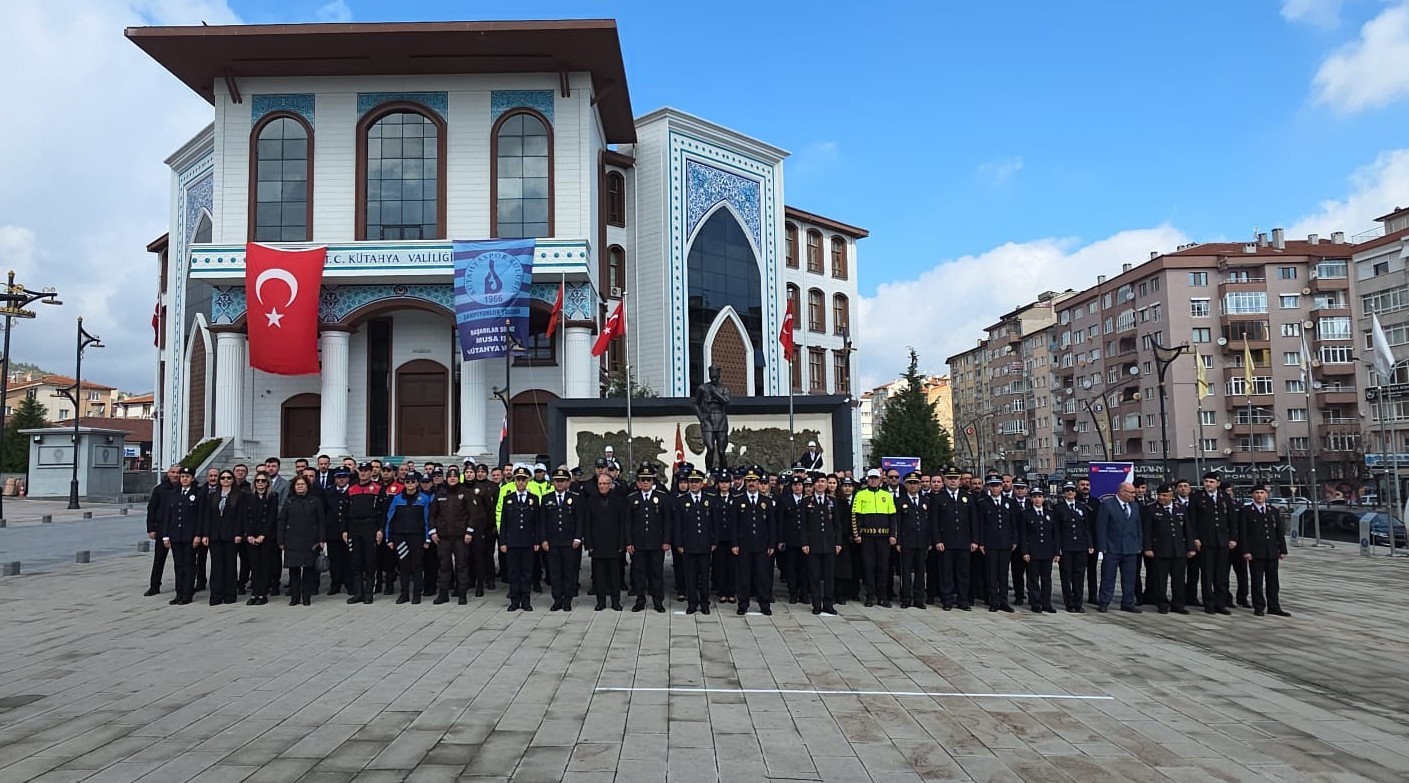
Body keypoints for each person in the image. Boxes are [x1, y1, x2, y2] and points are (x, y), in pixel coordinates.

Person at [1143, 483, 1197, 615]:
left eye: (1164, 495)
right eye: (1159, 495)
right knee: (1160, 580)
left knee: (1179, 580)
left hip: (1178, 550)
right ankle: (1162, 603)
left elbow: (1188, 530)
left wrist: (1191, 547)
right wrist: (1148, 548)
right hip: (1160, 550)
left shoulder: (1181, 508)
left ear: (1171, 496)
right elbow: (1147, 531)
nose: (1161, 498)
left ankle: (1178, 604)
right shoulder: (1151, 509)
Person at [729, 468, 777, 615]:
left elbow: (772, 525)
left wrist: (771, 544)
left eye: (754, 481)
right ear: (745, 482)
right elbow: (733, 525)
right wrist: (734, 544)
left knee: (762, 576)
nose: (751, 484)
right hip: (744, 546)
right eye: (749, 481)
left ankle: (764, 604)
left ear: (759, 483)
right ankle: (743, 604)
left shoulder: (766, 502)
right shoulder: (738, 500)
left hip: (762, 546)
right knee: (744, 576)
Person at [627, 463, 673, 613]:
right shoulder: (632, 498)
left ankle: (658, 601)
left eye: (648, 479)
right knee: (639, 573)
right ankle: (640, 600)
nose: (645, 482)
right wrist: (628, 542)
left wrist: (666, 541)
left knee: (656, 574)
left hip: (656, 543)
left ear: (653, 481)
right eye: (642, 479)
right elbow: (627, 523)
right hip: (638, 543)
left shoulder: (662, 497)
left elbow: (667, 521)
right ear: (638, 482)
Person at [1239, 486, 1291, 617]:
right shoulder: (1246, 511)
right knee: (1257, 581)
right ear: (1252, 495)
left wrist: (1282, 549)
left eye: (1262, 493)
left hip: (1271, 551)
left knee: (1273, 581)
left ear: (1266, 495)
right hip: (1255, 552)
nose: (1259, 495)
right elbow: (1243, 533)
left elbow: (1279, 531)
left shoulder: (1272, 510)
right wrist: (1246, 551)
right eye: (1256, 493)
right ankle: (1259, 606)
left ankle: (1274, 606)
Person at [1190, 472, 1236, 616]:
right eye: (1206, 481)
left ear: (1218, 483)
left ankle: (1220, 604)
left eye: (1211, 481)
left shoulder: (1224, 497)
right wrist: (1195, 538)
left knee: (1221, 574)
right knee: (1207, 574)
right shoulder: (1197, 497)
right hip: (1205, 541)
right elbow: (1192, 520)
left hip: (1222, 540)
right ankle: (1209, 603)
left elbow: (1232, 519)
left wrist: (1233, 538)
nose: (1208, 484)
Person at [430, 468, 477, 606]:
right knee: (444, 566)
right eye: (450, 477)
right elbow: (432, 514)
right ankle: (443, 594)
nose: (452, 479)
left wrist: (469, 532)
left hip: (461, 537)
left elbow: (472, 514)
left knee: (462, 565)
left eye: (455, 477)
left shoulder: (465, 493)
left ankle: (462, 594)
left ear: (458, 478)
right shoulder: (440, 493)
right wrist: (432, 531)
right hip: (443, 537)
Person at [584, 472, 629, 611]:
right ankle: (601, 602)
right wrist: (589, 544)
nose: (602, 486)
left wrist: (623, 543)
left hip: (614, 545)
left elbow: (624, 524)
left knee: (615, 577)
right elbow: (587, 524)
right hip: (597, 546)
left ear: (611, 485)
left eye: (605, 484)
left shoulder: (620, 501)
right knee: (599, 577)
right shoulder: (591, 501)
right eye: (600, 484)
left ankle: (616, 602)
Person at [932, 466, 975, 611]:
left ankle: (963, 600)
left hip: (964, 541)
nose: (953, 481)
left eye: (955, 478)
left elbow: (973, 521)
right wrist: (937, 540)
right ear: (945, 480)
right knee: (946, 573)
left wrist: (975, 540)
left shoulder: (967, 497)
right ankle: (947, 600)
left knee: (964, 573)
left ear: (959, 480)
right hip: (946, 542)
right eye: (950, 478)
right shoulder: (939, 498)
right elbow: (935, 522)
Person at [499, 466, 542, 612]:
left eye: (524, 479)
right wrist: (503, 541)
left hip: (528, 542)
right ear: (515, 481)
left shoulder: (533, 499)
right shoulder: (508, 499)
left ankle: (526, 600)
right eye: (518, 479)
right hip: (512, 542)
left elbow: (537, 522)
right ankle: (514, 600)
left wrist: (537, 540)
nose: (521, 482)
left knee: (527, 572)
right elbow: (504, 522)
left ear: (528, 481)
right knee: (513, 572)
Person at [278, 475, 326, 607]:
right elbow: (282, 521)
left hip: (311, 541)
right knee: (294, 571)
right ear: (294, 487)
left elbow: (321, 521)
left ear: (307, 486)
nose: (300, 486)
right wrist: (281, 540)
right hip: (292, 540)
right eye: (297, 484)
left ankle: (306, 597)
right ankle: (294, 597)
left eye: (302, 484)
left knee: (308, 570)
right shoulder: (289, 501)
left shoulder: (315, 501)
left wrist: (322, 539)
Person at [674, 468, 717, 615]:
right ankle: (692, 603)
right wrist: (679, 543)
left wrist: (714, 541)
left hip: (705, 544)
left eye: (696, 482)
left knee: (704, 576)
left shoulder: (709, 499)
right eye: (691, 482)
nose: (693, 485)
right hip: (689, 544)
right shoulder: (682, 501)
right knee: (690, 576)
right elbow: (678, 524)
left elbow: (713, 523)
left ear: (702, 483)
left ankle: (705, 603)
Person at [383, 475, 431, 605]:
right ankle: (404, 594)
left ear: (417, 483)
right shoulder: (397, 498)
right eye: (407, 481)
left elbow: (427, 520)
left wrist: (427, 538)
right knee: (403, 566)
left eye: (413, 481)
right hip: (400, 537)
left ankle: (417, 594)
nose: (410, 484)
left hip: (417, 537)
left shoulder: (424, 499)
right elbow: (390, 519)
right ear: (404, 483)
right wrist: (389, 538)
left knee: (417, 566)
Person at [541, 468, 584, 611]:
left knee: (569, 572)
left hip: (569, 541)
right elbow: (543, 522)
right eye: (557, 481)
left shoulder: (575, 498)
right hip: (553, 542)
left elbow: (579, 520)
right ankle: (557, 599)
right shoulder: (547, 498)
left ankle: (568, 599)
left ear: (568, 482)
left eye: (562, 481)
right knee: (554, 572)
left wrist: (578, 537)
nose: (559, 484)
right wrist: (544, 539)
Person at [853, 468, 897, 608]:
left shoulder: (887, 495)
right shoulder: (860, 494)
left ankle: (882, 596)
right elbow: (855, 516)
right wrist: (856, 534)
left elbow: (893, 517)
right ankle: (870, 596)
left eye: (875, 478)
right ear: (867, 479)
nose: (873, 480)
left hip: (883, 537)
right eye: (871, 478)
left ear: (880, 480)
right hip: (867, 537)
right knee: (868, 567)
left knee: (883, 567)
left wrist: (893, 535)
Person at [1097, 482, 1143, 613]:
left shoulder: (1134, 506)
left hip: (1130, 548)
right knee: (1108, 577)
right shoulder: (1107, 505)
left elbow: (1138, 527)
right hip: (1112, 547)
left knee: (1129, 578)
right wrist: (1102, 546)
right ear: (1122, 492)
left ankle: (1128, 602)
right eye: (1131, 493)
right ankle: (1104, 601)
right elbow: (1101, 527)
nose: (1134, 495)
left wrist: (1139, 545)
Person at [976, 475, 1018, 612]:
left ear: (1001, 487)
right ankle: (993, 601)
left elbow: (1014, 524)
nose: (995, 488)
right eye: (992, 486)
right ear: (988, 487)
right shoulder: (983, 503)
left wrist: (1014, 540)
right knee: (992, 573)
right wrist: (981, 542)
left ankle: (1004, 600)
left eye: (997, 485)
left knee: (1004, 574)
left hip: (1006, 543)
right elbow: (981, 525)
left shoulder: (1010, 502)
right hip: (990, 543)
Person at [161, 467, 203, 605]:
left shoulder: (198, 493)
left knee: (189, 565)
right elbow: (168, 516)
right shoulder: (174, 493)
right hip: (176, 535)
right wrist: (165, 536)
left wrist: (198, 535)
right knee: (178, 566)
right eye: (182, 476)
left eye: (187, 476)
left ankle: (187, 593)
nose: (184, 479)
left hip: (190, 536)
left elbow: (200, 517)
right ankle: (178, 593)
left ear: (192, 478)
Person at [203, 469, 245, 606]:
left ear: (233, 480)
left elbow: (240, 516)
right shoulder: (213, 495)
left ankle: (230, 594)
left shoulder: (239, 495)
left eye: (228, 478)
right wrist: (205, 534)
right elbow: (207, 516)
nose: (225, 480)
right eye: (223, 478)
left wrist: (239, 533)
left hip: (231, 535)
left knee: (230, 565)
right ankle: (216, 595)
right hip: (215, 535)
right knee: (216, 566)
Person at [802, 474, 841, 616]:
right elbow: (804, 525)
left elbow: (837, 524)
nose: (820, 484)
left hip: (829, 544)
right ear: (813, 485)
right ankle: (816, 604)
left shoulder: (832, 501)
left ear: (826, 485)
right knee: (815, 577)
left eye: (823, 482)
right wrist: (805, 543)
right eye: (817, 482)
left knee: (829, 576)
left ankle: (828, 604)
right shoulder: (807, 501)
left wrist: (838, 543)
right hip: (813, 544)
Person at [894, 472, 934, 609]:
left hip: (922, 541)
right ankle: (906, 598)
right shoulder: (900, 501)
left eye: (915, 483)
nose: (913, 486)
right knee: (905, 572)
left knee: (920, 571)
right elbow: (897, 522)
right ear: (906, 485)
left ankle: (919, 598)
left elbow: (930, 523)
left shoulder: (926, 501)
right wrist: (898, 541)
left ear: (919, 485)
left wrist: (929, 541)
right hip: (906, 541)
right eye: (910, 483)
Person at [344, 463, 382, 605]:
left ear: (371, 472)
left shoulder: (378, 489)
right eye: (362, 471)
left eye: (367, 471)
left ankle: (368, 593)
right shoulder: (351, 489)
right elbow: (344, 511)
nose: (364, 474)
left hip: (370, 527)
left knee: (370, 562)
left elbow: (382, 511)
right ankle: (358, 592)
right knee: (356, 561)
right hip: (354, 528)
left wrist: (380, 530)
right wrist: (344, 530)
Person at [1018, 487, 1059, 614]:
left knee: (1046, 579)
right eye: (1035, 497)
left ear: (1043, 498)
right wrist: (1025, 552)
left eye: (1039, 496)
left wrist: (1057, 552)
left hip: (1047, 551)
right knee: (1033, 579)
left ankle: (1046, 603)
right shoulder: (1026, 514)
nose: (1037, 499)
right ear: (1031, 499)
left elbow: (1055, 535)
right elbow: (1023, 535)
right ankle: (1035, 603)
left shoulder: (1050, 514)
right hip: (1033, 551)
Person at [143, 464, 181, 596]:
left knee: (180, 561)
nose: (175, 475)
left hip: (179, 530)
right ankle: (154, 585)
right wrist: (151, 528)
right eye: (173, 472)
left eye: (178, 473)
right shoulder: (160, 489)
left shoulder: (185, 489)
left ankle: (180, 586)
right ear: (168, 473)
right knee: (159, 559)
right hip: (161, 528)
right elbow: (151, 509)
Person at [1054, 482, 1092, 612]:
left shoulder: (1082, 507)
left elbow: (1086, 527)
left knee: (1079, 575)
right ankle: (1069, 603)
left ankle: (1078, 602)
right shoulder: (1059, 508)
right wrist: (1057, 549)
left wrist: (1090, 544)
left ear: (1076, 493)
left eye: (1072, 490)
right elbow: (1057, 530)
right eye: (1067, 490)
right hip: (1066, 547)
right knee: (1066, 575)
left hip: (1080, 546)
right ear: (1064, 492)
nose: (1070, 492)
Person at [244, 471, 280, 606]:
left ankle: (263, 593)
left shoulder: (273, 496)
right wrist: (249, 535)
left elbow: (272, 517)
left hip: (266, 537)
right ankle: (254, 593)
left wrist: (263, 535)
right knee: (254, 566)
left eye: (263, 481)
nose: (260, 483)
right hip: (252, 537)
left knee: (265, 566)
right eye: (258, 480)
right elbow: (245, 517)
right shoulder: (248, 497)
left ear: (267, 483)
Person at [776, 474, 809, 605]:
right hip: (790, 541)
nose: (797, 487)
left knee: (804, 569)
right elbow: (781, 522)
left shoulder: (808, 501)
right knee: (791, 569)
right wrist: (781, 540)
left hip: (804, 541)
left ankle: (804, 594)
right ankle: (793, 593)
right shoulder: (785, 501)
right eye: (795, 485)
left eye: (800, 485)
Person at [693, 365, 731, 471]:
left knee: (721, 451)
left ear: (719, 376)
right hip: (708, 421)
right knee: (710, 448)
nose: (714, 379)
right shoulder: (702, 388)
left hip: (721, 421)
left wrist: (715, 393)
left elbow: (726, 401)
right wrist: (701, 418)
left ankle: (724, 471)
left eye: (716, 377)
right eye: (712, 377)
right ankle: (708, 472)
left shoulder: (724, 388)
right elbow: (695, 404)